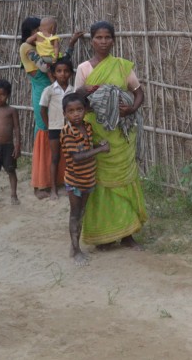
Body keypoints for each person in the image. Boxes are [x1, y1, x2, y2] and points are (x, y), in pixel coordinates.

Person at [74, 20, 147, 249]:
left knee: (124, 181)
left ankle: (127, 234)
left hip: (121, 134)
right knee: (102, 185)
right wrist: (86, 91)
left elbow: (138, 91)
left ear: (113, 40)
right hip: (97, 134)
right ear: (92, 40)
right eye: (98, 37)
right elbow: (76, 100)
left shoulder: (122, 66)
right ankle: (103, 237)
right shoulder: (84, 68)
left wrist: (132, 109)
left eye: (107, 37)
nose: (103, 42)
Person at [19, 16, 82, 199]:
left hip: (56, 94)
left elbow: (61, 62)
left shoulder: (41, 47)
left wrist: (70, 43)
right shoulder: (27, 48)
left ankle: (59, 180)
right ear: (32, 32)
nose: (44, 32)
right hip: (42, 93)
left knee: (58, 134)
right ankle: (40, 184)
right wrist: (52, 48)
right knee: (44, 132)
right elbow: (47, 68)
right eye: (39, 29)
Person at [60, 92, 110, 266]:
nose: (76, 114)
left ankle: (75, 247)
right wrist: (100, 150)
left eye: (79, 110)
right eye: (71, 111)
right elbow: (77, 157)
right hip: (75, 181)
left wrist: (98, 145)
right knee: (75, 214)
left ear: (85, 110)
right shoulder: (68, 132)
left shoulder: (87, 127)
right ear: (64, 114)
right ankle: (75, 251)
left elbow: (87, 148)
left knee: (81, 213)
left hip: (88, 178)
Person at [39, 58, 75, 198]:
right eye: (59, 71)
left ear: (70, 74)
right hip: (54, 128)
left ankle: (69, 186)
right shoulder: (49, 90)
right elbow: (43, 109)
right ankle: (53, 188)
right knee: (55, 157)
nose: (63, 74)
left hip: (70, 129)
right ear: (54, 73)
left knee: (71, 158)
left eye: (66, 71)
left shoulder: (73, 90)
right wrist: (49, 126)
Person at [26, 15, 61, 81]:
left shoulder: (38, 35)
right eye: (55, 28)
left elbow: (28, 41)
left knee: (49, 72)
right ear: (53, 28)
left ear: (40, 28)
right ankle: (55, 82)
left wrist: (35, 43)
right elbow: (56, 48)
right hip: (51, 58)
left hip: (41, 58)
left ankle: (53, 82)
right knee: (55, 70)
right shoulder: (54, 37)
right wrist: (55, 57)